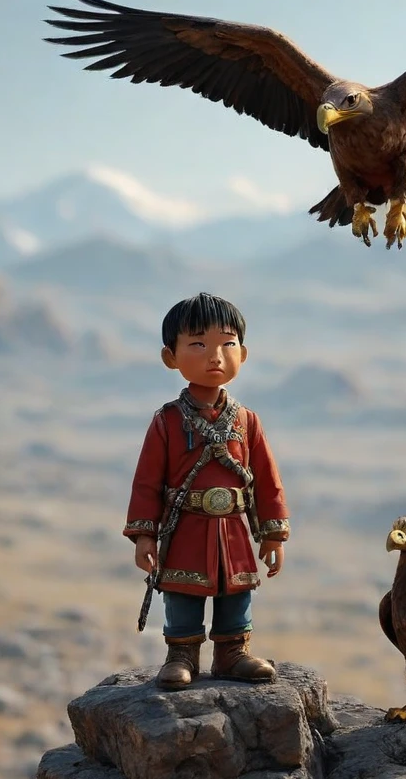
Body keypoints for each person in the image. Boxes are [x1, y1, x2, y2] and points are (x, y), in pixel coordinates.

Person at [124, 293, 290, 690]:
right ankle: (181, 655)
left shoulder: (247, 422)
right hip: (186, 526)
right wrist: (144, 534)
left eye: (226, 343)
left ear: (243, 354)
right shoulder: (166, 422)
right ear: (171, 357)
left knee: (236, 590)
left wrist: (273, 532)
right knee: (182, 588)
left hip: (233, 527)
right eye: (198, 344)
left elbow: (266, 478)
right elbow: (147, 481)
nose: (214, 355)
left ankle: (233, 652)